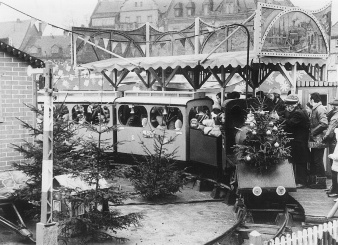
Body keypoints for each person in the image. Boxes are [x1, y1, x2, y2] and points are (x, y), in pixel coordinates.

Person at [282, 94, 310, 188]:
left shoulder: (298, 113)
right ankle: (300, 181)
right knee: (299, 161)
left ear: (292, 105)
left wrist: (279, 119)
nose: (287, 108)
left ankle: (301, 182)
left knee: (300, 162)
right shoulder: (301, 111)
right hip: (299, 141)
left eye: (288, 106)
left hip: (299, 141)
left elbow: (290, 123)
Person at [308, 92, 328, 189]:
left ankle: (322, 183)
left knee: (318, 160)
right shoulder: (318, 108)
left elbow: (324, 123)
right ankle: (317, 181)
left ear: (312, 100)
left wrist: (313, 132)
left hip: (318, 139)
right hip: (317, 139)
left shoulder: (319, 109)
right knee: (315, 159)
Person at [322, 98, 338, 197]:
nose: (332, 107)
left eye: (333, 105)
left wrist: (324, 138)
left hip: (334, 143)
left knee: (334, 167)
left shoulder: (335, 117)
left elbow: (330, 131)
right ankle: (334, 187)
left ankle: (335, 190)